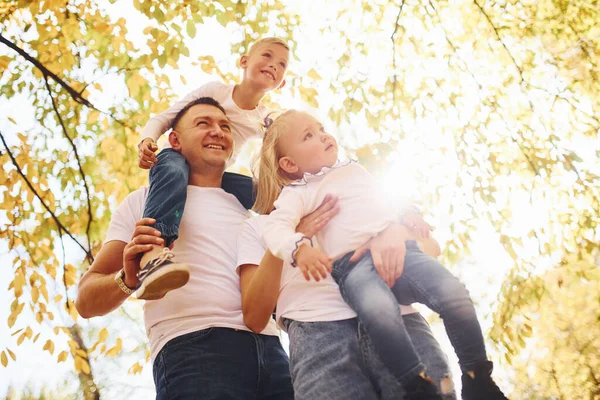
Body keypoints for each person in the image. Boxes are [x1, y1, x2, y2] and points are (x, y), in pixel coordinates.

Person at [253, 110, 508, 400]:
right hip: (352, 272)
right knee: (378, 311)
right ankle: (414, 383)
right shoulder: (299, 193)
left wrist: (408, 217)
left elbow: (387, 201)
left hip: (402, 257)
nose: (323, 135)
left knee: (454, 292)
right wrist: (299, 248)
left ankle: (477, 376)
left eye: (321, 127)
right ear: (289, 163)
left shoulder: (356, 171)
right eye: (308, 136)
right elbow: (275, 227)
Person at [76, 98, 294, 400]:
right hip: (193, 352)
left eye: (225, 126)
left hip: (273, 353)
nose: (218, 131)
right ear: (175, 140)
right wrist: (128, 280)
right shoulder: (145, 202)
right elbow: (86, 301)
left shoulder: (252, 209)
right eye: (203, 123)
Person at [237, 200, 458, 399]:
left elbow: (431, 249)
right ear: (282, 164)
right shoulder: (258, 227)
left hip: (399, 323)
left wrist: (395, 234)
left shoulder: (362, 202)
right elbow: (255, 318)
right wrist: (287, 242)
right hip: (318, 339)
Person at [133, 37, 290, 299]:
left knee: (269, 196)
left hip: (213, 174)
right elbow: (166, 117)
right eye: (267, 56)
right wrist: (148, 140)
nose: (273, 65)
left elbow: (279, 156)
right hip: (181, 158)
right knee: (171, 170)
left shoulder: (265, 119)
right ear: (244, 62)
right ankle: (152, 255)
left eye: (282, 64)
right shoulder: (216, 91)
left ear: (282, 82)